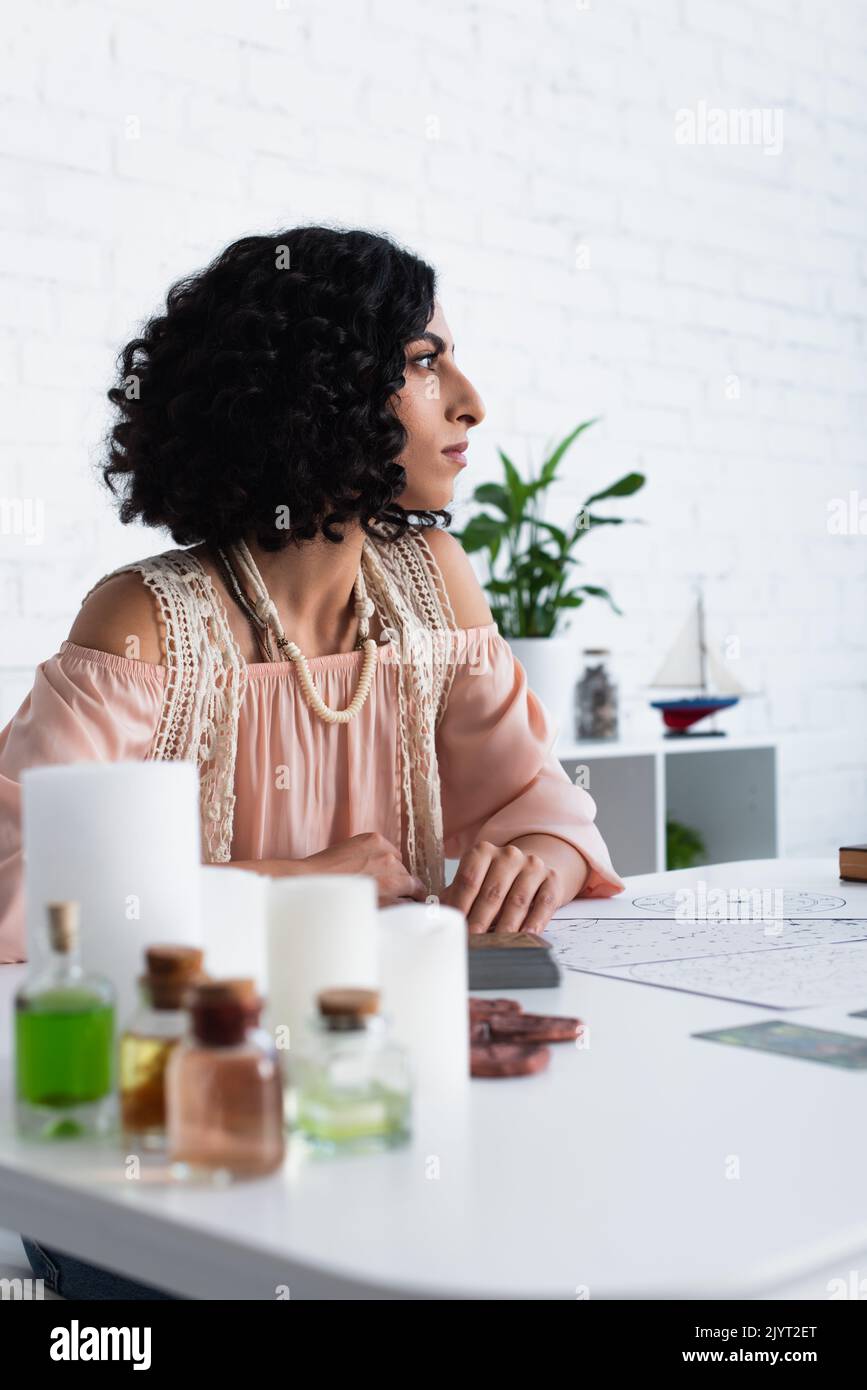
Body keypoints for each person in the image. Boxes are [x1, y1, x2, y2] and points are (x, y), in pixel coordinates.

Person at [0, 226, 626, 1298]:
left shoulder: (431, 582)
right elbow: (22, 901)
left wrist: (539, 855)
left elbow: (545, 803)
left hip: (364, 1102)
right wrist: (302, 885)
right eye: (425, 362)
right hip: (160, 1149)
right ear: (321, 388)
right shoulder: (145, 625)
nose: (468, 401)